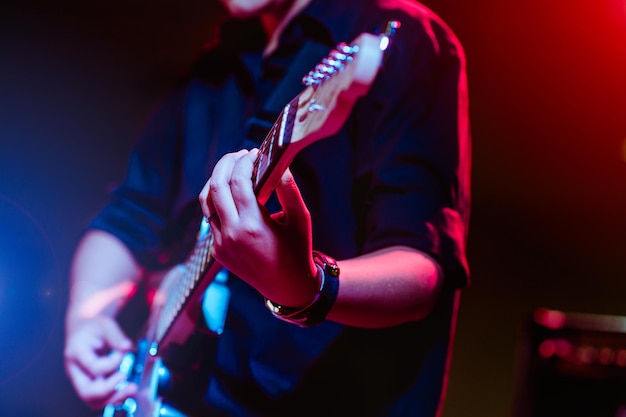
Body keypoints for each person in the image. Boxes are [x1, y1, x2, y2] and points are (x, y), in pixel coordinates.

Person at [63, 0, 471, 416]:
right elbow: (127, 219)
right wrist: (86, 315)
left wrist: (308, 289)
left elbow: (421, 268)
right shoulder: (212, 72)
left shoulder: (403, 36)